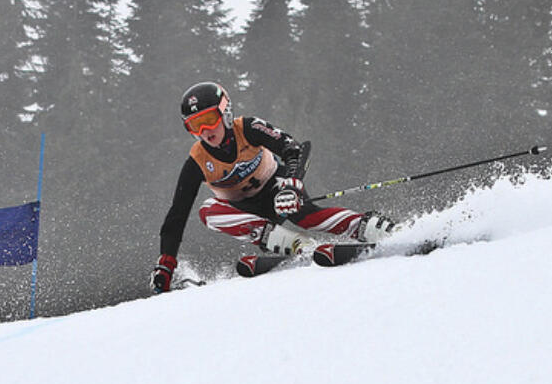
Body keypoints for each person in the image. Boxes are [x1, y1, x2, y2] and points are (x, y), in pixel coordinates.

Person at [151, 81, 395, 293]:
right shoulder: (197, 160)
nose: (205, 131)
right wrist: (166, 264)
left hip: (279, 191)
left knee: (308, 217)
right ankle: (297, 246)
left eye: (208, 120)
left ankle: (372, 227)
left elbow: (295, 149)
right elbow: (177, 215)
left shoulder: (247, 128)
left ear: (225, 112)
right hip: (250, 215)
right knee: (207, 210)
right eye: (195, 126)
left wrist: (292, 184)